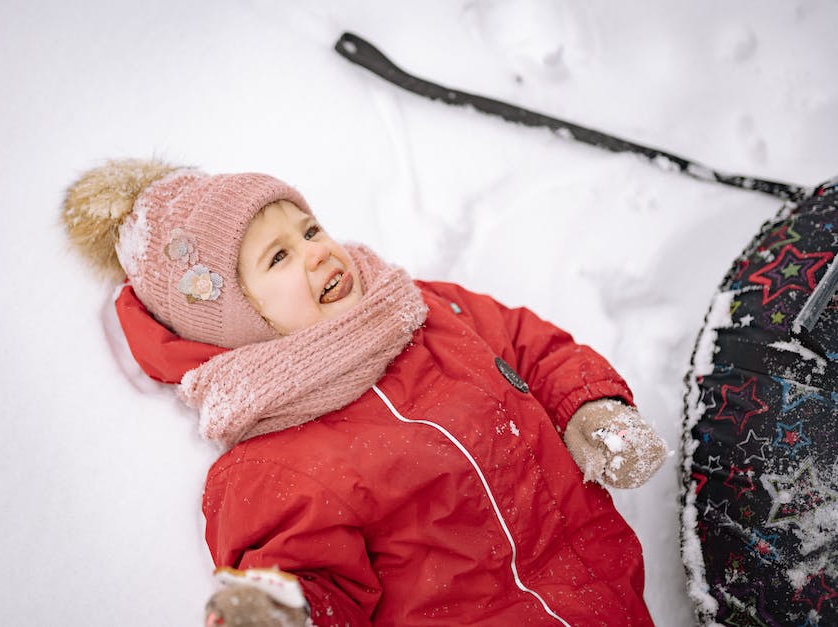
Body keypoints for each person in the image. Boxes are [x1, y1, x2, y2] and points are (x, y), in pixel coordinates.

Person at [62, 159, 668, 626]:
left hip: (610, 597)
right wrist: (285, 610)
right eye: (279, 257)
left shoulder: (426, 309)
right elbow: (318, 582)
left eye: (310, 228)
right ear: (238, 320)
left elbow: (531, 347)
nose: (317, 250)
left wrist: (590, 409)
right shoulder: (273, 460)